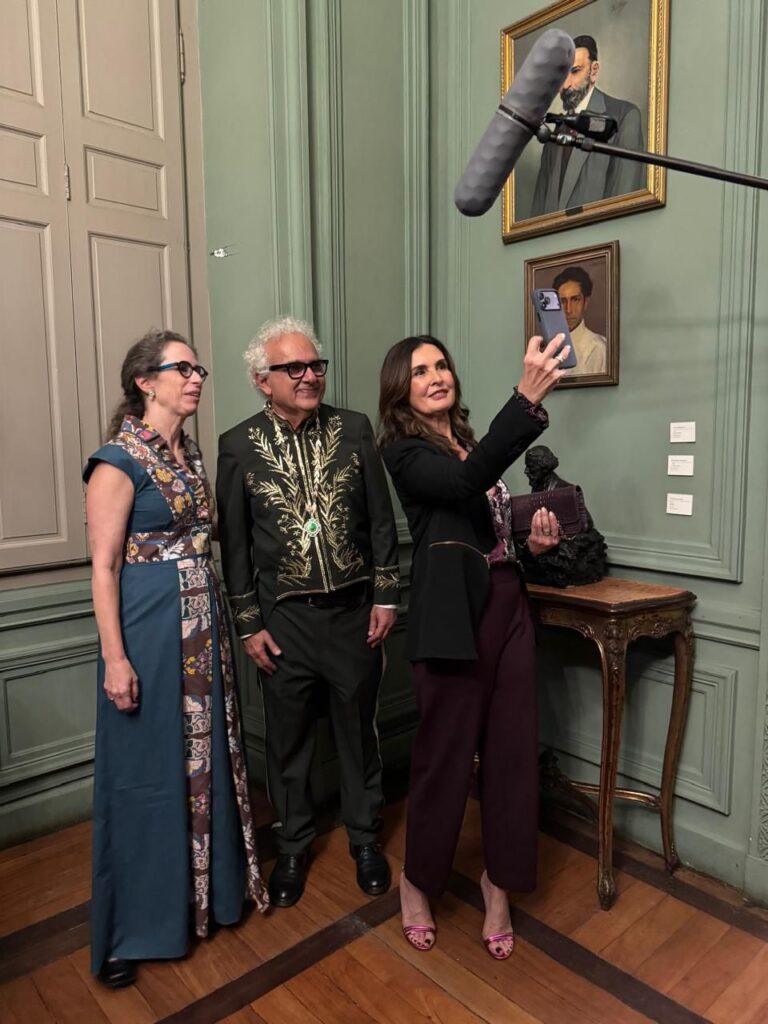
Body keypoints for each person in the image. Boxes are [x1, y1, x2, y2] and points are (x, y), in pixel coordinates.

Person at [84, 330, 267, 990]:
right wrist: (116, 660)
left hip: (201, 630)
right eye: (181, 368)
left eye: (198, 369)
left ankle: (206, 899)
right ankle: (131, 929)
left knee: (205, 756)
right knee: (146, 770)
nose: (195, 378)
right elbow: (104, 567)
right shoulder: (116, 460)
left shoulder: (189, 457)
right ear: (145, 381)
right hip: (149, 630)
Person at [378, 332, 567, 959]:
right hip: (453, 620)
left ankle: (498, 885)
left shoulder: (468, 443)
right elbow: (462, 486)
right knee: (445, 756)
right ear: (400, 389)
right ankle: (417, 881)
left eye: (441, 365)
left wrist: (529, 545)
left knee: (512, 753)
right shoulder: (404, 451)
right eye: (419, 371)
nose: (436, 376)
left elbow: (484, 527)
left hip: (509, 602)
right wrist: (526, 400)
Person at [216, 316, 400, 910]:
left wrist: (386, 595)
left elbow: (381, 521)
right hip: (284, 623)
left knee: (358, 736)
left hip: (353, 614)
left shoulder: (354, 428)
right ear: (261, 380)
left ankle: (365, 839)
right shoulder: (237, 445)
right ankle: (293, 845)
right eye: (292, 367)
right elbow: (235, 548)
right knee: (289, 743)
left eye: (315, 364)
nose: (309, 376)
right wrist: (249, 624)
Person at [530, 34, 645, 217]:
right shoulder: (553, 135)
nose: (566, 84)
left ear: (594, 71)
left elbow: (624, 206)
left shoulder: (625, 117)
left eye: (575, 71)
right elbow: (538, 213)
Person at [553, 265, 607, 375]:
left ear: (585, 302)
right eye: (562, 301)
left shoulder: (599, 348)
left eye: (575, 300)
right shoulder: (548, 348)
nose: (568, 310)